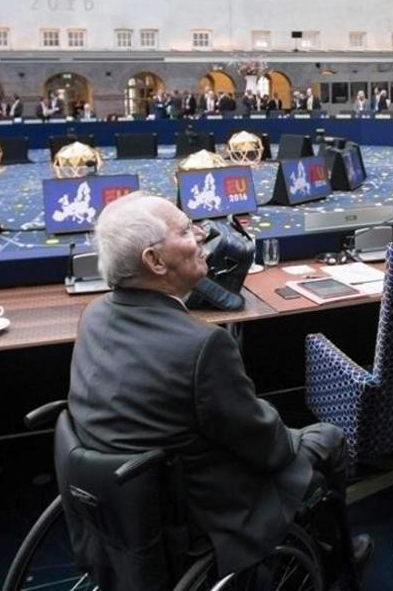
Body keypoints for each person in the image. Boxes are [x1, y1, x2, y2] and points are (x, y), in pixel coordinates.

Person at [70, 192, 372, 583]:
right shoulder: (202, 345)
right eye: (185, 230)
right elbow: (270, 448)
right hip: (201, 514)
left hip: (120, 506)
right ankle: (334, 566)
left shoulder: (93, 315)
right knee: (327, 438)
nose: (202, 235)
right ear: (155, 261)